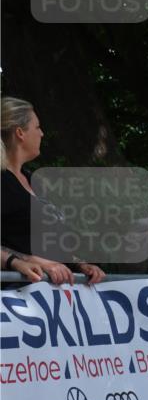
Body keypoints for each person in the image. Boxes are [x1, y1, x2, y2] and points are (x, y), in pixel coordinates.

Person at [1, 97, 105, 285]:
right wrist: (18, 261)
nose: (42, 134)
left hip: (50, 300)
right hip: (14, 301)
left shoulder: (34, 180)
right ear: (20, 133)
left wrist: (79, 264)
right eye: (37, 127)